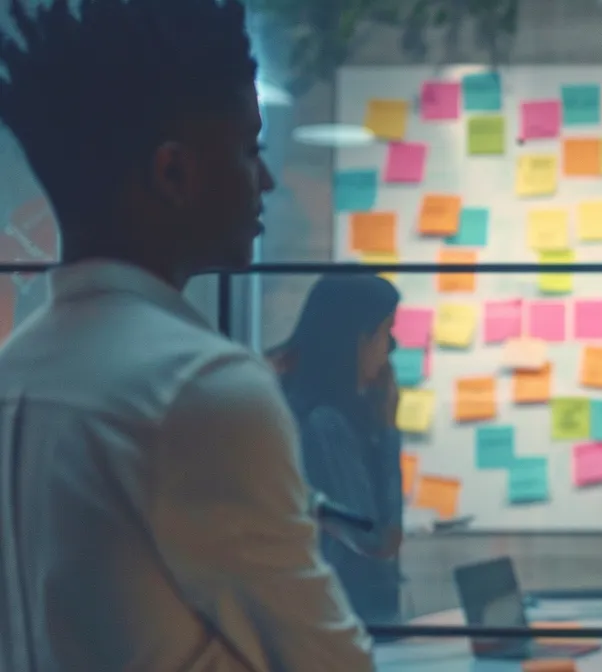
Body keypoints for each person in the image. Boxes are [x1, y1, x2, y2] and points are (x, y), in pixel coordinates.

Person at [0, 1, 373, 670]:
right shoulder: (201, 389)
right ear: (174, 174)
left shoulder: (14, 370)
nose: (265, 178)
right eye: (248, 148)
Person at [268, 276, 407, 628]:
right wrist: (389, 429)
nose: (391, 346)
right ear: (359, 340)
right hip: (344, 617)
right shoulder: (324, 423)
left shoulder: (303, 407)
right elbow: (375, 536)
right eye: (385, 331)